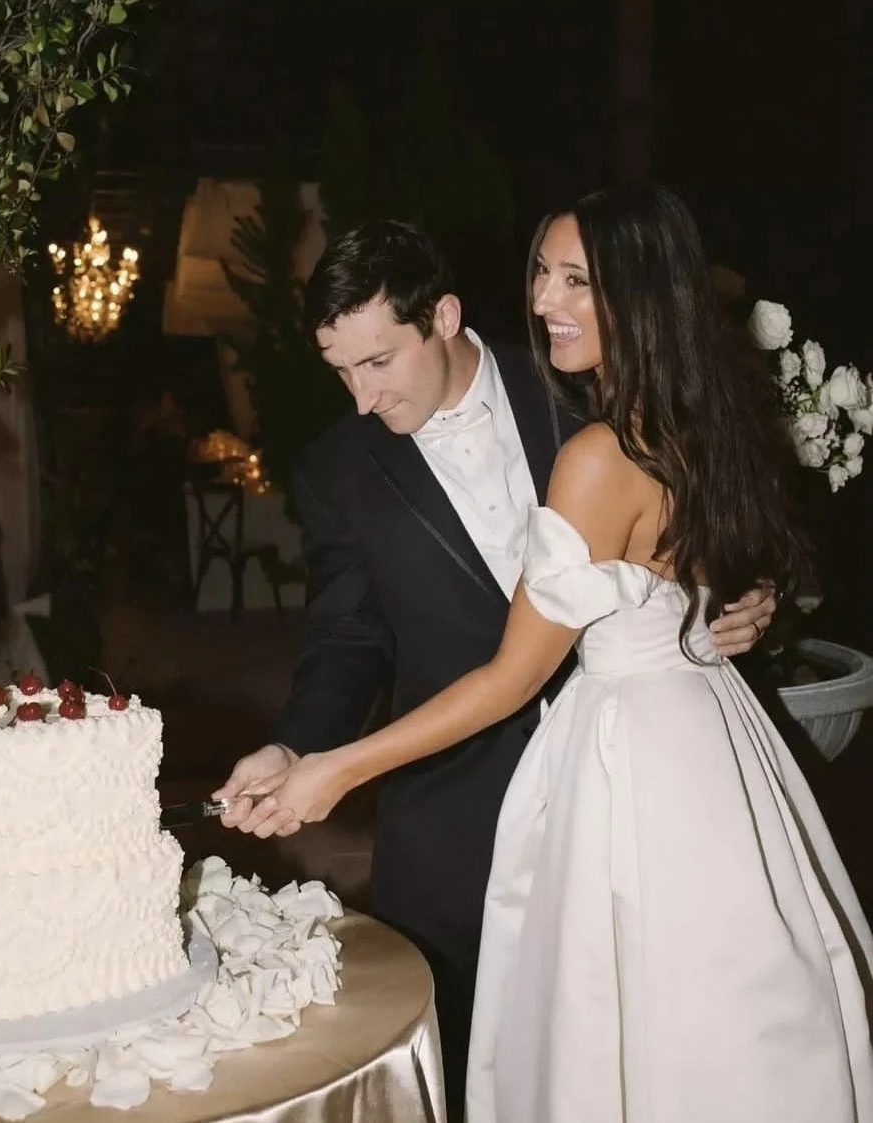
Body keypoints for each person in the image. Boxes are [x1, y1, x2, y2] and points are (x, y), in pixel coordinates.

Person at [232, 186, 873, 1121]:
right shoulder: (337, 470)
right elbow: (346, 638)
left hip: (651, 788)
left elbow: (575, 630)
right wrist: (298, 747)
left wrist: (743, 599)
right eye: (341, 371)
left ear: (443, 317)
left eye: (378, 360)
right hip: (460, 815)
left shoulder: (582, 399)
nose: (363, 398)